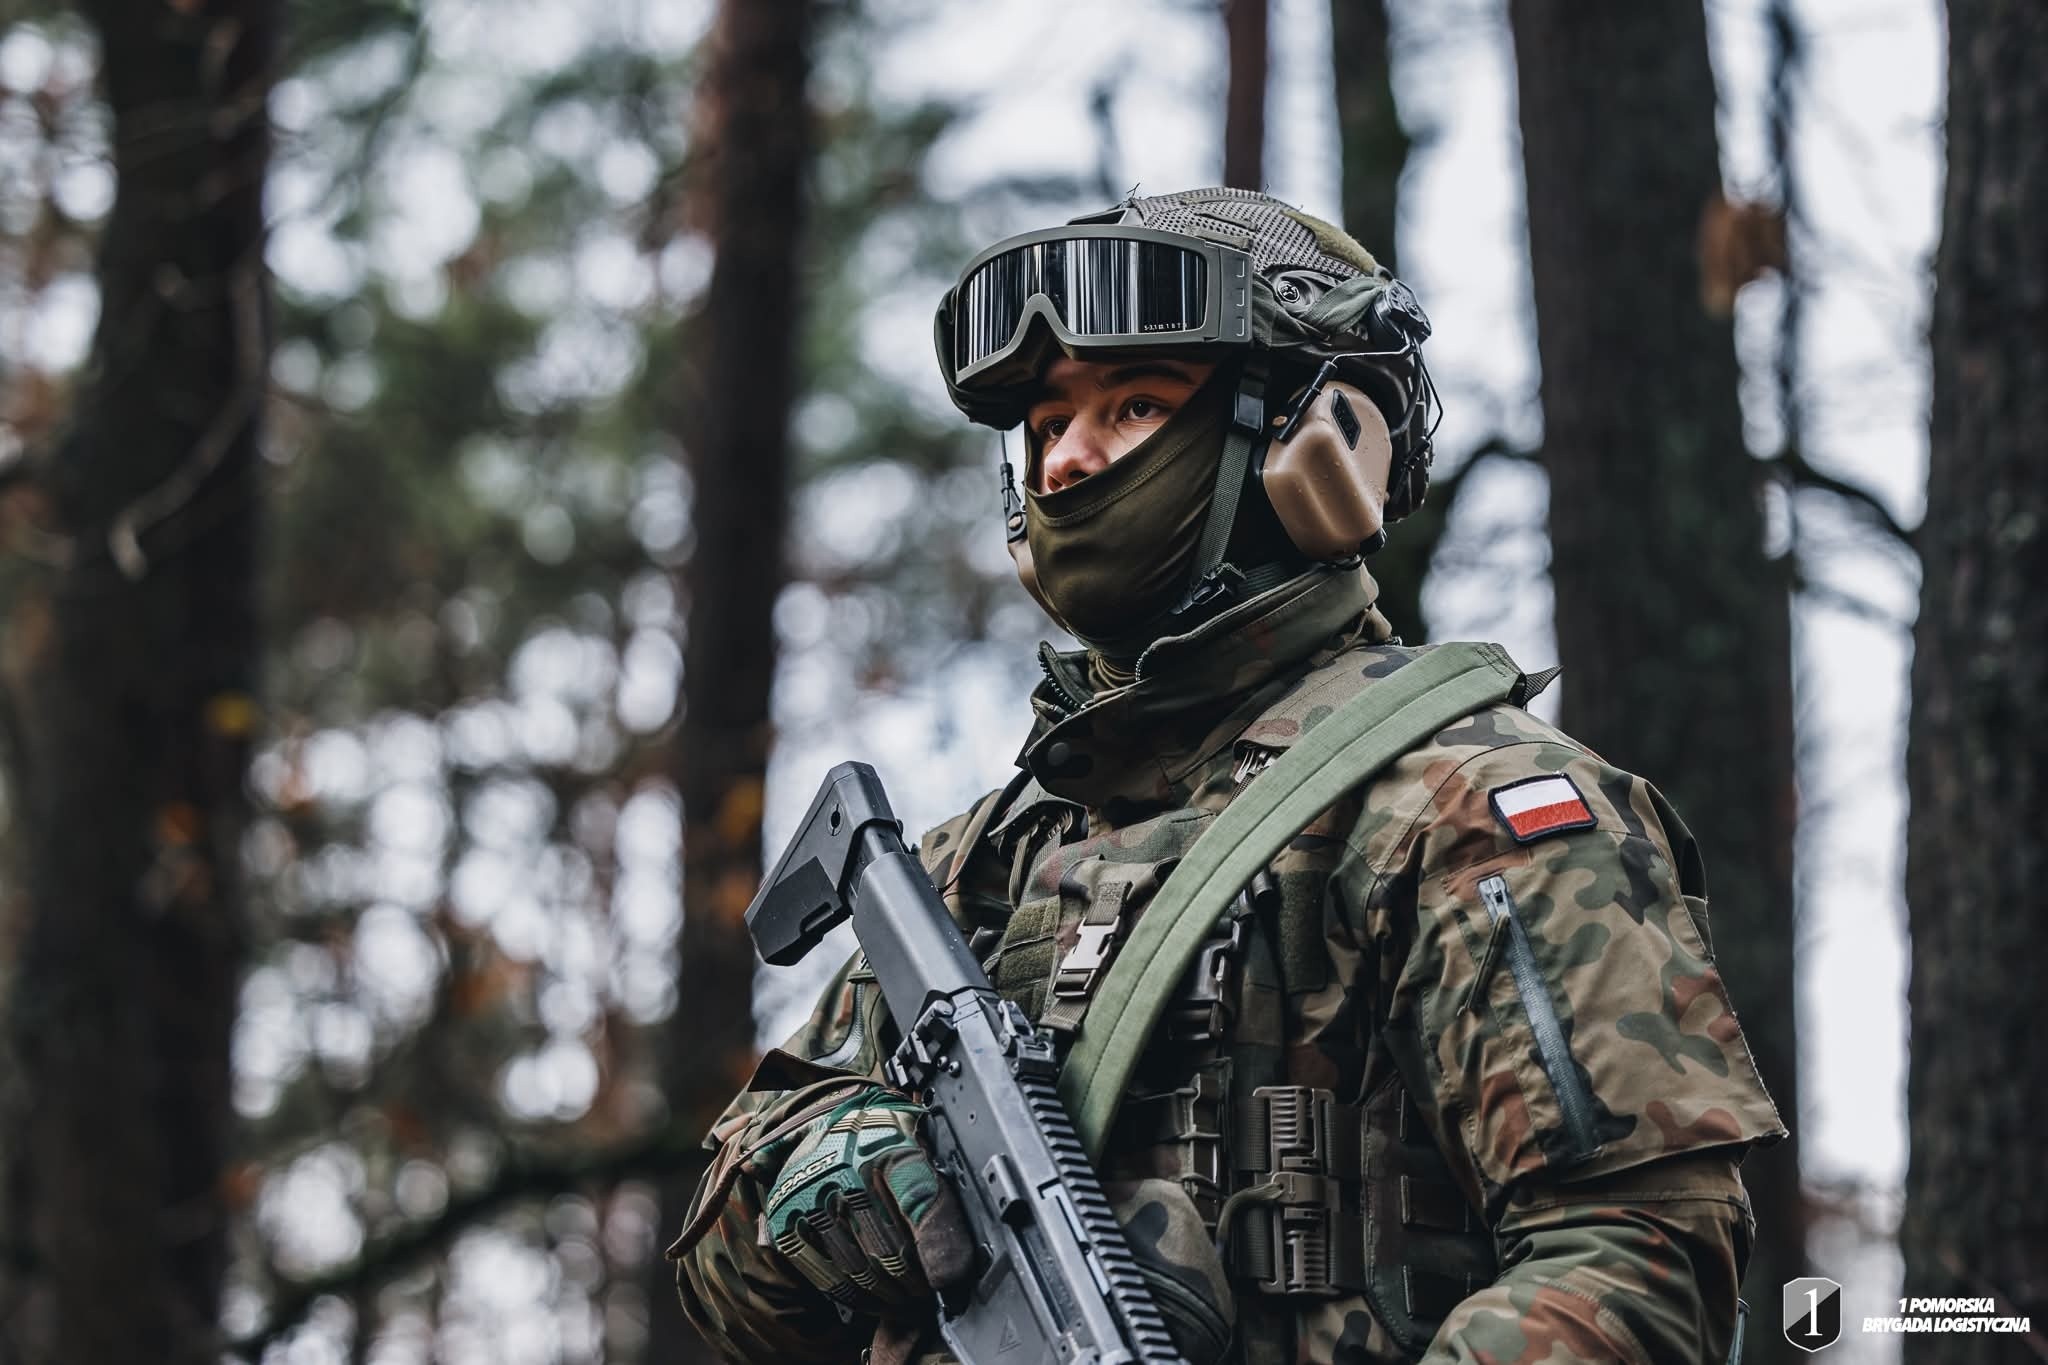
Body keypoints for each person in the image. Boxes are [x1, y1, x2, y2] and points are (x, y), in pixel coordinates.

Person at [666, 187, 1787, 1365]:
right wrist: (819, 1167)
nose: (1066, 461)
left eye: (1135, 404)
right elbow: (723, 1282)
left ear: (1315, 446)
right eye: (1046, 422)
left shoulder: (1470, 808)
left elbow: (1636, 1259)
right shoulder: (976, 865)